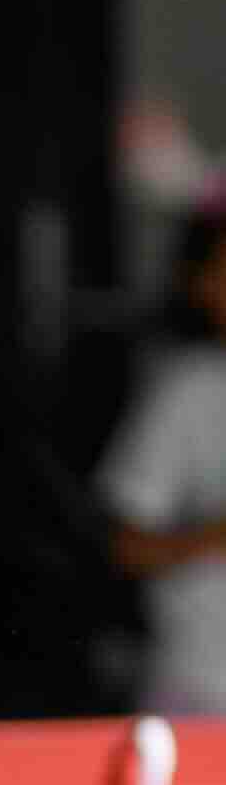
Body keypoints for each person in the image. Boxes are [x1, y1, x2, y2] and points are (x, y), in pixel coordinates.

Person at [98, 198, 226, 717]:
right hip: (198, 689)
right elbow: (125, 547)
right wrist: (212, 537)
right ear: (201, 285)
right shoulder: (188, 390)